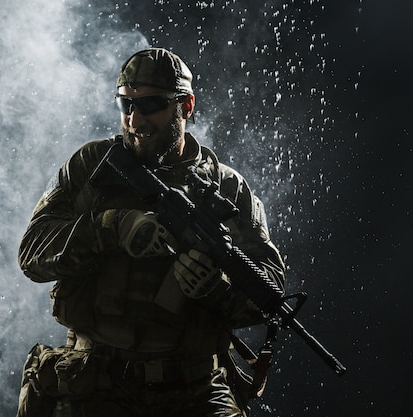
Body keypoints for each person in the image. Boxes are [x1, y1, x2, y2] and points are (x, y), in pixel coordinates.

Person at [17, 47, 285, 417]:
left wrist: (215, 287)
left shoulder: (227, 189)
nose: (135, 120)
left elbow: (268, 291)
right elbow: (31, 254)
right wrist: (111, 227)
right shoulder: (94, 167)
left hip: (192, 387)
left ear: (186, 107)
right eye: (126, 105)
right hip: (94, 380)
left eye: (151, 105)